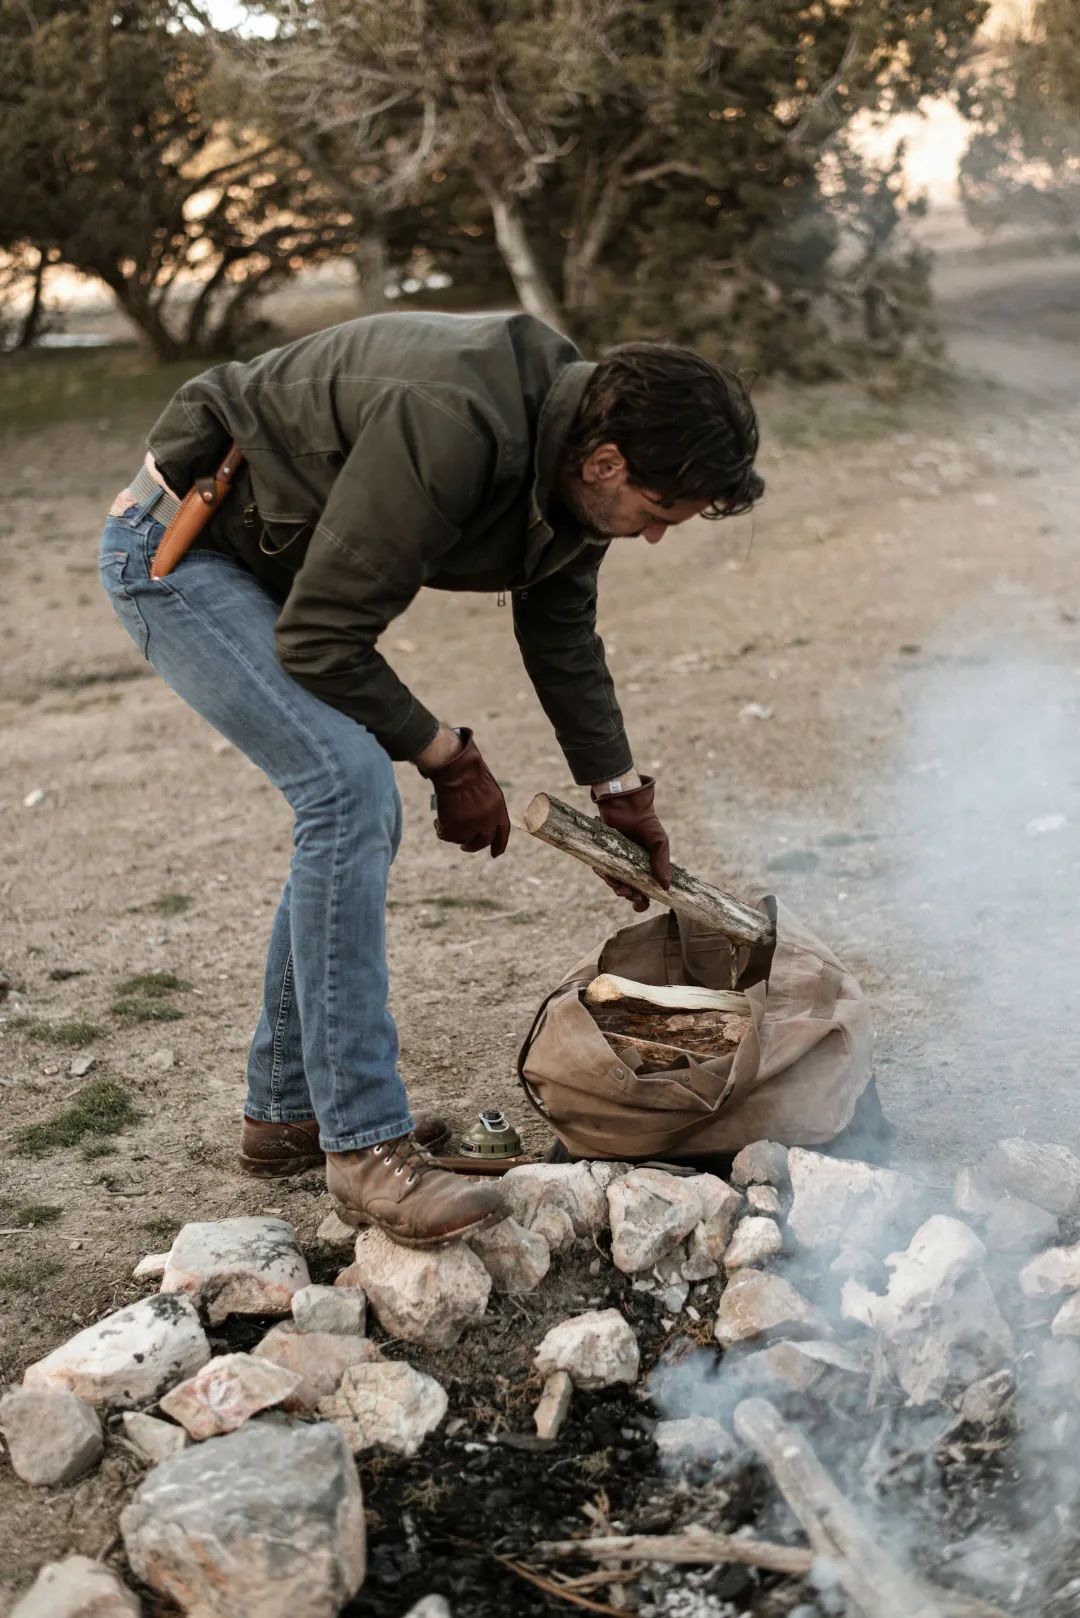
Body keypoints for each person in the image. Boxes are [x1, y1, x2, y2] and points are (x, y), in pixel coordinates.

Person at [99, 312, 763, 1249]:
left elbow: (560, 626)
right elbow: (322, 638)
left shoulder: (573, 442)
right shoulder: (453, 420)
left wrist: (619, 792)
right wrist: (448, 756)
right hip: (182, 549)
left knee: (349, 796)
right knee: (347, 788)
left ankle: (287, 1111)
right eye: (658, 512)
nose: (654, 536)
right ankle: (362, 1146)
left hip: (274, 563)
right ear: (607, 462)